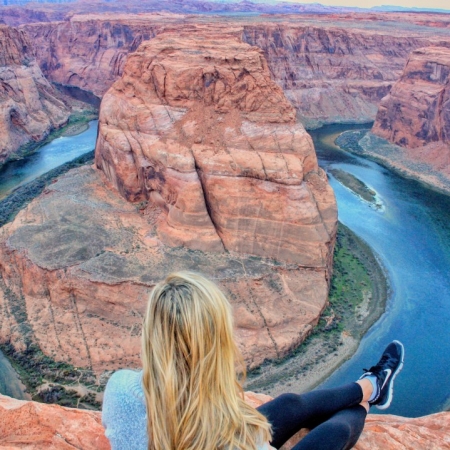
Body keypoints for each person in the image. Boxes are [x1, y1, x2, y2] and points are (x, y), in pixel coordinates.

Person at [102, 271, 404, 450]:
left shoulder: (121, 389)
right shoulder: (231, 436)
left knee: (288, 403)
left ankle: (371, 386)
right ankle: (366, 400)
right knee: (336, 431)